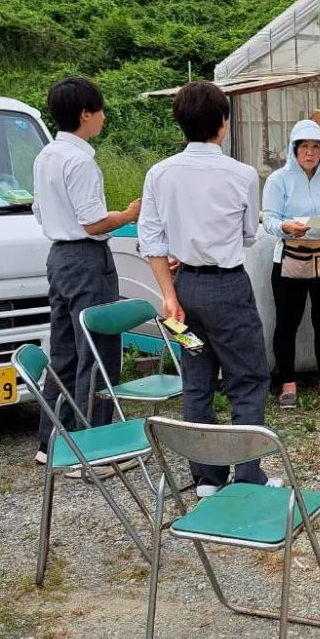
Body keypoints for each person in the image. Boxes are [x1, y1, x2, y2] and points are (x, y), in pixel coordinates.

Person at [138, 80, 279, 495]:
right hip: (229, 292)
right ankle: (247, 474)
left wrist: (168, 294)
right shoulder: (240, 174)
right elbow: (249, 235)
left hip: (185, 295)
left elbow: (152, 240)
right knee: (247, 379)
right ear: (223, 122)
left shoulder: (159, 174)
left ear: (180, 122)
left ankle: (207, 477)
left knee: (198, 379)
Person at [32, 77, 140, 464]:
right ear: (85, 115)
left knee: (63, 351)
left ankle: (52, 442)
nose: (103, 116)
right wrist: (127, 215)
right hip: (85, 261)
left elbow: (39, 211)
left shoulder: (46, 155)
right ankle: (94, 449)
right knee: (96, 351)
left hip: (58, 257)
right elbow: (93, 223)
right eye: (100, 110)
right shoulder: (81, 161)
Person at [262, 120, 320, 409]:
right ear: (294, 149)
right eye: (304, 146)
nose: (310, 152)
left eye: (316, 147)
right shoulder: (279, 180)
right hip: (291, 257)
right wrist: (286, 226)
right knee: (287, 323)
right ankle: (287, 383)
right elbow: (269, 220)